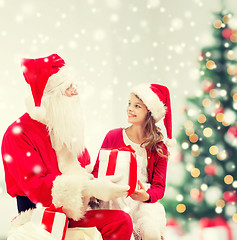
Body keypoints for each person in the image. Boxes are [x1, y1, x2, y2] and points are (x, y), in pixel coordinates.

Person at [1, 54, 133, 240]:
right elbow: (36, 188)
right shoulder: (18, 133)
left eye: (75, 86)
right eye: (68, 88)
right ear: (50, 96)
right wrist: (89, 188)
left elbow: (86, 168)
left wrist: (115, 182)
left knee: (122, 220)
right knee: (119, 221)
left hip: (75, 213)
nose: (76, 92)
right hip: (38, 216)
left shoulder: (65, 126)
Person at [92, 83, 174, 240]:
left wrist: (146, 196)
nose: (130, 108)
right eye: (129, 103)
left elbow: (159, 187)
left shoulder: (159, 148)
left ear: (150, 112)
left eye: (137, 106)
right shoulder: (113, 136)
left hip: (142, 204)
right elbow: (98, 171)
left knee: (151, 232)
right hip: (114, 200)